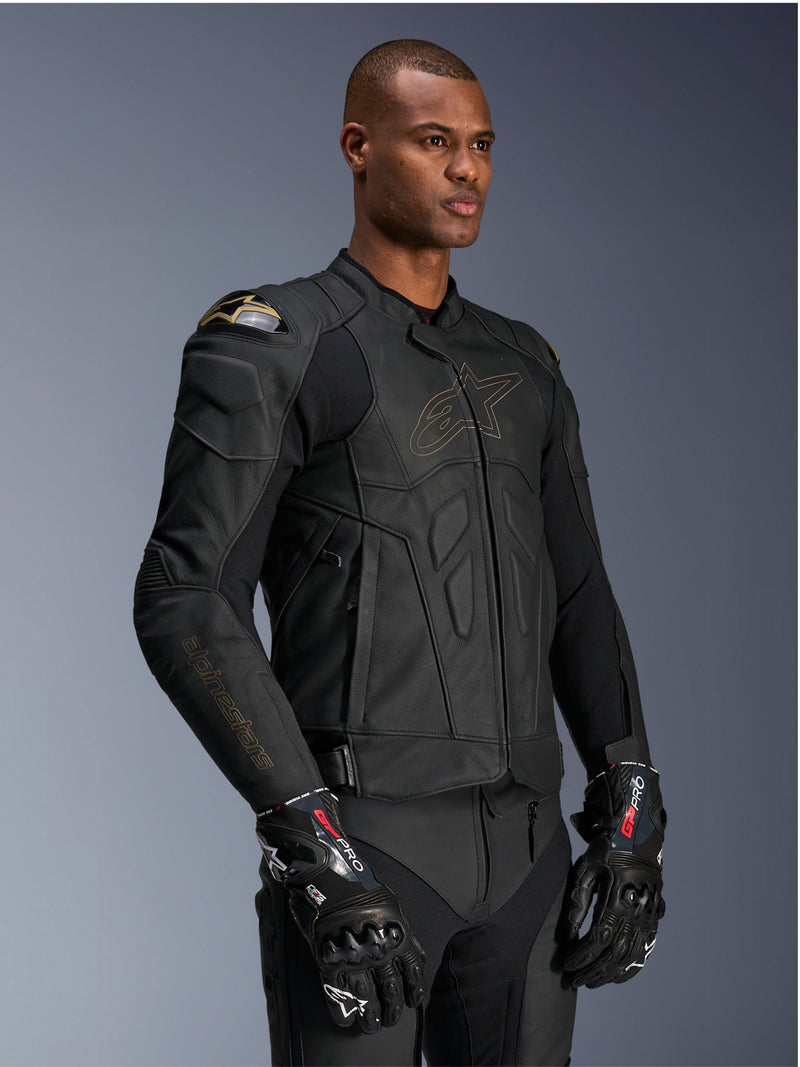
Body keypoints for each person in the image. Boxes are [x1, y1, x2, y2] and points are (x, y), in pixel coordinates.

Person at [133, 38, 666, 1067]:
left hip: (530, 858)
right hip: (370, 850)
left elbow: (580, 595)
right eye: (433, 141)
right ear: (358, 147)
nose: (467, 168)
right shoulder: (277, 343)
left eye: (481, 145)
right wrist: (312, 841)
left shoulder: (524, 361)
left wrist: (632, 803)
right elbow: (185, 596)